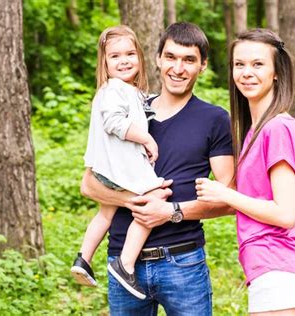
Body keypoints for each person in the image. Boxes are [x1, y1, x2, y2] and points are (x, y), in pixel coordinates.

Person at [80, 22, 234, 315]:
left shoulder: (214, 119)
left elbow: (230, 198)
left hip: (183, 262)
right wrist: (131, 200)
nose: (178, 68)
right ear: (158, 59)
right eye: (172, 57)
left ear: (202, 66)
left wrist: (171, 211)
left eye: (189, 60)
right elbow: (88, 184)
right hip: (123, 263)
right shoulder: (127, 113)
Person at [195, 28, 295, 315]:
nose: (246, 72)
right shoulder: (255, 131)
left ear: (276, 72)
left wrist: (225, 193)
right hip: (266, 267)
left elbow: (285, 214)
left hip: (278, 266)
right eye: (239, 64)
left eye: (258, 64)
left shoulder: (277, 128)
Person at [70, 25, 169, 300]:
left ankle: (83, 258)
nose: (124, 60)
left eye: (129, 53)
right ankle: (125, 264)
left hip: (106, 168)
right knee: (156, 197)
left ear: (139, 56)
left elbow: (142, 110)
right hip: (119, 168)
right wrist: (148, 140)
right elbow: (115, 123)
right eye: (115, 56)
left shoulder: (127, 91)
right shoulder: (114, 89)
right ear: (105, 63)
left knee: (106, 213)